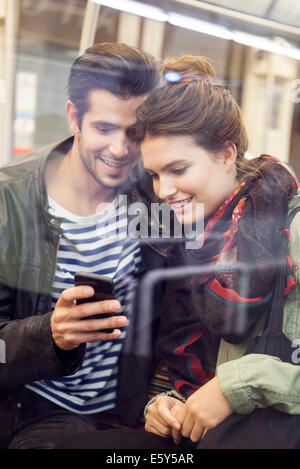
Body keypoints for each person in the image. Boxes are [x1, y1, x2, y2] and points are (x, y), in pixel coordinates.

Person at [55, 55, 300, 449]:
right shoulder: (194, 234)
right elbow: (187, 352)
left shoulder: (289, 227)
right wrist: (163, 402)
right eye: (154, 174)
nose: (164, 190)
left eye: (179, 170)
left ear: (226, 154)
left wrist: (235, 388)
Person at [0, 42, 167, 449]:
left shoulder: (157, 192)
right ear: (74, 116)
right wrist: (49, 334)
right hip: (36, 411)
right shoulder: (9, 204)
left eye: (135, 133)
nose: (120, 150)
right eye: (104, 128)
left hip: (129, 407)